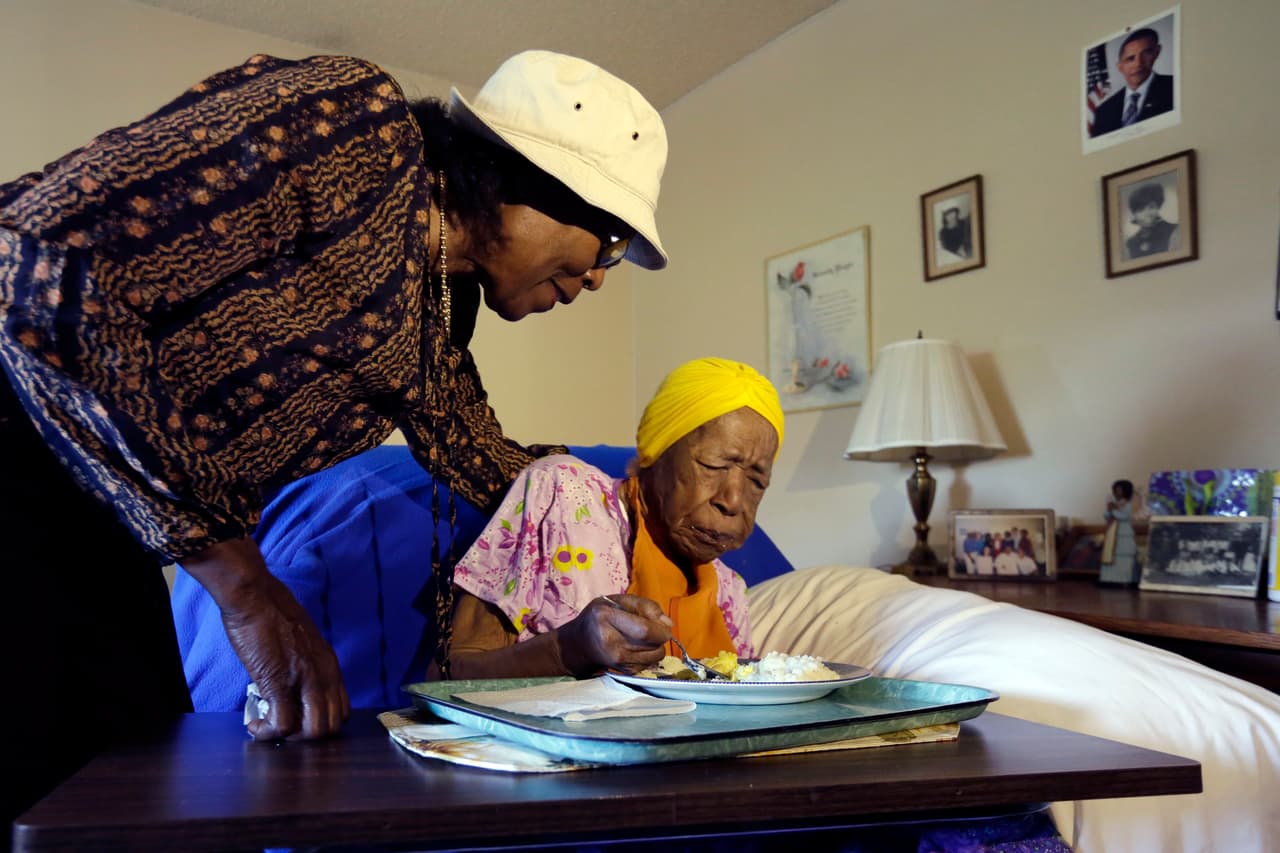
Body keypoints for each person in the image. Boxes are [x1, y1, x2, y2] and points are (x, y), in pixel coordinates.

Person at [0, 49, 668, 831]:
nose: (597, 278)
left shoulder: (434, 313)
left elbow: (493, 463)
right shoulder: (358, 126)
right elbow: (41, 262)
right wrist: (247, 585)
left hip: (102, 514)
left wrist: (654, 511)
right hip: (22, 433)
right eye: (610, 241)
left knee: (129, 796)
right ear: (528, 180)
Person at [433, 358, 784, 680]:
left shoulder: (727, 592)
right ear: (654, 453)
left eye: (757, 481)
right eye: (713, 465)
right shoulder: (562, 495)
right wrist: (567, 649)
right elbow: (443, 677)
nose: (733, 500)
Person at [1090, 27, 1175, 137]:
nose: (1138, 63)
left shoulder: (1173, 87)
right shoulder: (1104, 111)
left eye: (1146, 53)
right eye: (1130, 58)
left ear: (1156, 52)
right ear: (1120, 67)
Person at [1101, 479, 1144, 585]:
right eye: (1115, 490)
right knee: (1113, 555)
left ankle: (1126, 579)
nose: (1116, 493)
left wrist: (1113, 510)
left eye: (1119, 490)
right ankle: (1109, 579)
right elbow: (1107, 516)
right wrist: (1109, 510)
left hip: (1124, 532)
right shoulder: (1115, 504)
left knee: (1124, 555)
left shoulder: (1129, 505)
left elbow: (1124, 516)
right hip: (1113, 533)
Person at [1124, 182, 1180, 258]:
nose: (1147, 213)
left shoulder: (1173, 230)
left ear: (1158, 207)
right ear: (1134, 214)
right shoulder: (1131, 243)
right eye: (1141, 210)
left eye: (1151, 207)